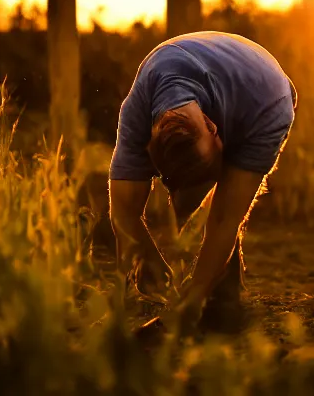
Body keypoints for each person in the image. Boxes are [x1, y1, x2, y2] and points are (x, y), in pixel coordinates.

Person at [108, 31, 297, 334]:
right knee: (186, 205)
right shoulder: (137, 119)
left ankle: (223, 298)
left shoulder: (263, 107)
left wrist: (186, 310)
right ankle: (215, 289)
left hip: (262, 91)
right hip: (209, 74)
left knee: (223, 211)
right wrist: (144, 256)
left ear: (213, 126)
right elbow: (123, 211)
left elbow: (224, 219)